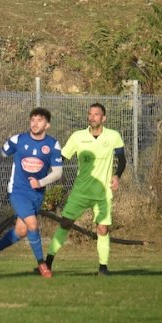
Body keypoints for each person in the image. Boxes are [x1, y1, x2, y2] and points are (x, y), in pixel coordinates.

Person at [0, 107, 64, 278]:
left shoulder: (52, 145)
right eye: (32, 120)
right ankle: (42, 265)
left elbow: (58, 173)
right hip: (18, 191)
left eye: (39, 120)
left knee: (21, 230)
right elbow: (0, 156)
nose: (35, 123)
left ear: (47, 125)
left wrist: (40, 182)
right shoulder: (18, 140)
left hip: (37, 194)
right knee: (33, 225)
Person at [46, 103, 126, 276]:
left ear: (103, 118)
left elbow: (122, 160)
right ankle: (47, 263)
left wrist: (117, 175)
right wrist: (47, 167)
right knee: (65, 224)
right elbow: (62, 157)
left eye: (96, 114)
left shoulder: (113, 136)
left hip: (103, 194)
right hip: (80, 192)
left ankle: (103, 268)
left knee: (102, 229)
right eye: (90, 114)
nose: (92, 117)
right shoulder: (77, 137)